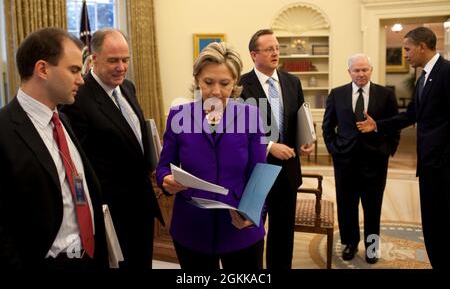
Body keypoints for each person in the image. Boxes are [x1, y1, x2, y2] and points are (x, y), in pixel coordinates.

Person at [0, 28, 108, 269]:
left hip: (88, 256)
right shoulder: (4, 130)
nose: (81, 79)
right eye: (74, 70)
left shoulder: (63, 121)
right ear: (43, 70)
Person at [156, 42, 267, 270]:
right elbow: (163, 167)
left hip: (241, 229)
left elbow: (260, 175)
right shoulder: (180, 116)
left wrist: (253, 213)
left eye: (225, 83)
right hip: (192, 228)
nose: (216, 91)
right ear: (197, 79)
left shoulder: (251, 115)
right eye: (208, 82)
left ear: (235, 82)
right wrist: (165, 180)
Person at [61, 28, 163, 269]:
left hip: (142, 205)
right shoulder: (78, 98)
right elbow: (80, 163)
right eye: (113, 60)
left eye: (125, 60)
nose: (121, 67)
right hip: (112, 212)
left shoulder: (128, 87)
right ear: (93, 59)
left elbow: (133, 137)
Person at [357, 27, 450, 269]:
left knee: (442, 222)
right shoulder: (423, 78)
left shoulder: (447, 72)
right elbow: (412, 115)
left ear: (422, 47)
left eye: (407, 49)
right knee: (432, 221)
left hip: (443, 166)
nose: (405, 54)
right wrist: (377, 125)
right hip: (428, 164)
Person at [239, 29, 314, 269]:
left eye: (277, 48)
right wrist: (270, 146)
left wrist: (306, 138)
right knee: (252, 233)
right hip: (255, 172)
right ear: (254, 54)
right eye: (269, 49)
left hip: (288, 171)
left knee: (283, 235)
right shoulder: (240, 85)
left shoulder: (292, 81)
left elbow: (300, 115)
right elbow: (237, 131)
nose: (275, 53)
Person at [322, 53, 400, 264]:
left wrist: (388, 149)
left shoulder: (385, 95)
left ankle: (372, 247)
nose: (361, 74)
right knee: (347, 205)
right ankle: (349, 243)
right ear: (349, 72)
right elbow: (328, 126)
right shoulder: (337, 94)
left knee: (373, 207)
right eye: (356, 70)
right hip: (345, 161)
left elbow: (394, 124)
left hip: (375, 162)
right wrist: (334, 149)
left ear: (371, 70)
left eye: (365, 69)